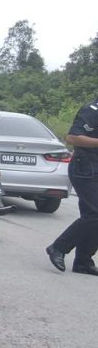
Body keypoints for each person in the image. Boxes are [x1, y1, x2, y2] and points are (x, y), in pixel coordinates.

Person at [45, 96, 98, 276]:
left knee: (92, 215)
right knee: (95, 213)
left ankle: (83, 261)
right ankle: (58, 247)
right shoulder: (92, 110)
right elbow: (73, 137)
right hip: (85, 168)